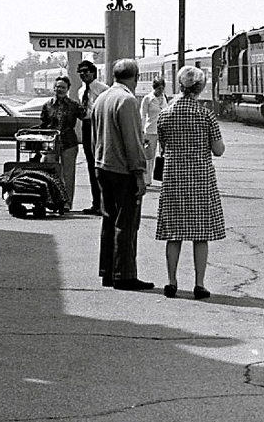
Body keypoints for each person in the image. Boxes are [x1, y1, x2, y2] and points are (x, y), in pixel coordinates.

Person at [155, 65, 226, 300]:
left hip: (173, 177)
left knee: (174, 233)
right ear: (200, 87)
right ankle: (199, 284)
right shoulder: (205, 114)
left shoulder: (166, 113)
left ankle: (172, 282)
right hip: (200, 177)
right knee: (200, 234)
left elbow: (163, 146)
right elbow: (218, 150)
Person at [92, 58, 153, 291]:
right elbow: (132, 140)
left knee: (109, 220)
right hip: (122, 170)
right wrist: (139, 173)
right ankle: (124, 275)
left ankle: (108, 271)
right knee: (126, 223)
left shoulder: (102, 98)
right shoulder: (127, 100)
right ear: (135, 77)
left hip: (102, 166)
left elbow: (93, 136)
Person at [39, 75, 84, 212]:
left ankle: (66, 204)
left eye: (63, 87)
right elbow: (43, 124)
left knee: (68, 176)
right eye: (58, 86)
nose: (60, 89)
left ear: (68, 89)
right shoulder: (47, 105)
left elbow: (87, 116)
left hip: (69, 143)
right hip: (51, 144)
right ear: (53, 88)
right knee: (50, 173)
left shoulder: (74, 105)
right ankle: (51, 201)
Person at [78, 60, 109, 215]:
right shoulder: (81, 90)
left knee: (100, 164)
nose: (83, 75)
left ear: (93, 72)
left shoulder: (103, 90)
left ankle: (105, 203)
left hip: (98, 125)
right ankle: (95, 202)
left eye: (86, 71)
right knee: (91, 165)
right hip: (86, 125)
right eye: (80, 72)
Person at [140, 76, 168, 186]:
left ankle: (163, 178)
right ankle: (146, 179)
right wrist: (141, 130)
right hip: (150, 130)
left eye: (162, 88)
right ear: (154, 88)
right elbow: (142, 115)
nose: (160, 91)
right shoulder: (147, 98)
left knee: (164, 154)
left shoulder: (164, 98)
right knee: (149, 155)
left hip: (163, 131)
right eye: (159, 88)